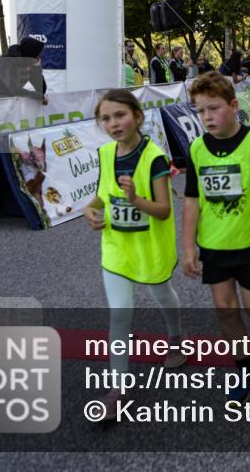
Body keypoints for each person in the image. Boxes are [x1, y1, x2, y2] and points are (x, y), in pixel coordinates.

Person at [182, 72, 250, 401]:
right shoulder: (197, 148)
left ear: (233, 105)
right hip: (214, 245)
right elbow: (191, 199)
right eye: (200, 111)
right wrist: (188, 245)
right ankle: (244, 368)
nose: (207, 117)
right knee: (224, 309)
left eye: (213, 108)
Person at [81, 90, 186, 417]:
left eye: (120, 115)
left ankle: (176, 337)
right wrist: (89, 211)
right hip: (116, 248)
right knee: (120, 313)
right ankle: (118, 389)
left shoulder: (154, 157)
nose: (113, 123)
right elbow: (101, 196)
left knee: (162, 294)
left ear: (137, 117)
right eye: (106, 118)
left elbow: (164, 210)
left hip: (148, 247)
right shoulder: (105, 153)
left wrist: (136, 199)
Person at [0, 37, 47, 103]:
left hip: (7, 102)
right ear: (31, 53)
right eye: (38, 54)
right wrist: (37, 96)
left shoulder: (28, 64)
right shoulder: (5, 62)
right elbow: (14, 90)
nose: (40, 56)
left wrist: (37, 68)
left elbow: (41, 89)